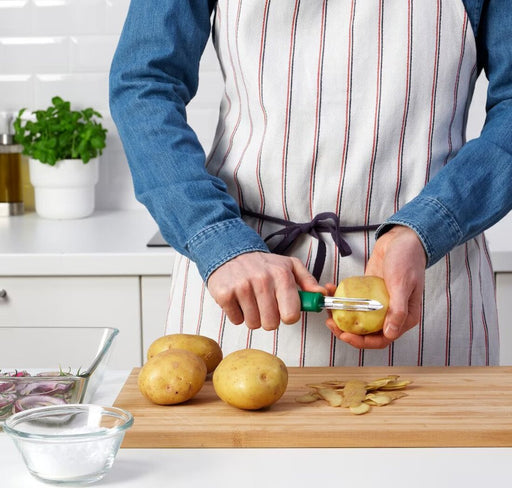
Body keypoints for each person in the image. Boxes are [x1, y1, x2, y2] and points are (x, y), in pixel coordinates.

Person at [110, 0, 512, 367]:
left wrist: (426, 229)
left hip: (428, 281)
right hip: (241, 273)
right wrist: (216, 238)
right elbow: (145, 84)